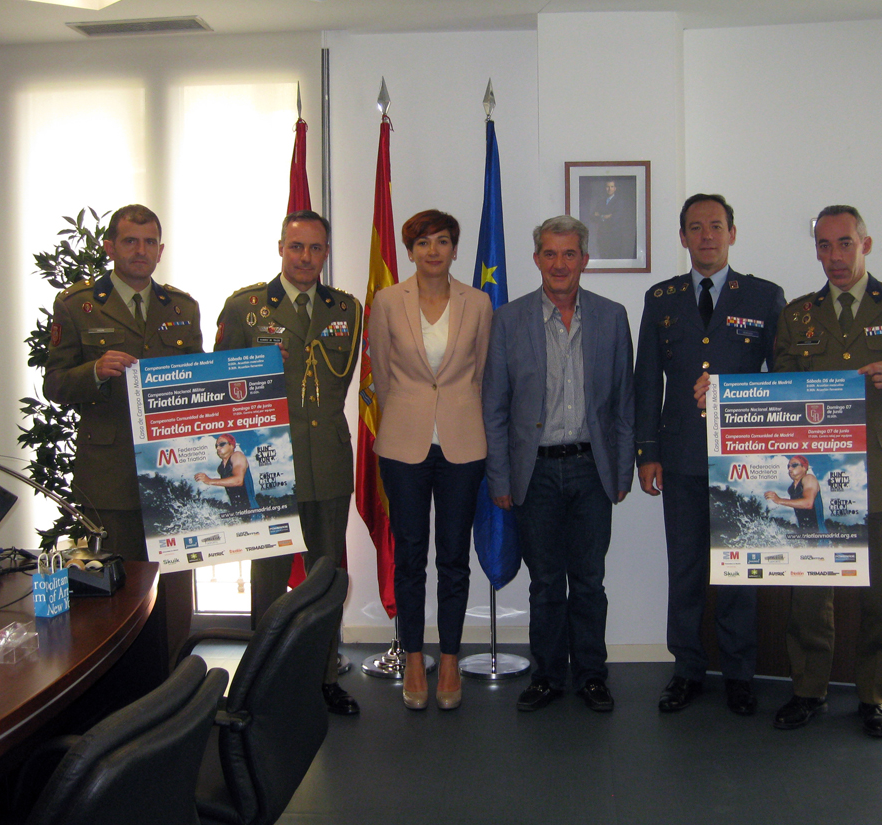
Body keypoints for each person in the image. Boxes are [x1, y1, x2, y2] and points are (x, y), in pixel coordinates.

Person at [771, 205, 882, 737]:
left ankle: (874, 695)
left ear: (865, 245)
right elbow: (782, 390)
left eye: (844, 244)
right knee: (810, 590)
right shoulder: (798, 315)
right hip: (820, 476)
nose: (834, 257)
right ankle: (808, 689)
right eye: (824, 246)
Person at [634, 193, 785, 717]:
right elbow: (645, 380)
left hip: (743, 459)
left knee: (740, 571)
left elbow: (783, 381)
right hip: (678, 458)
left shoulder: (764, 298)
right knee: (687, 567)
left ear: (732, 233)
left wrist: (735, 391)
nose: (706, 236)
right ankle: (687, 669)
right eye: (695, 228)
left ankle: (740, 673)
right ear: (682, 237)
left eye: (716, 226)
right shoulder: (662, 298)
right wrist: (646, 452)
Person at [483, 215, 634, 713]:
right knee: (546, 582)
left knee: (590, 580)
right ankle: (547, 675)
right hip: (536, 473)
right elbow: (496, 408)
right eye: (550, 253)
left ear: (584, 260)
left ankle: (592, 675)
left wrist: (622, 471)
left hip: (592, 470)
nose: (560, 263)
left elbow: (624, 405)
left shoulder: (612, 318)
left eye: (570, 254)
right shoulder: (508, 321)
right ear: (536, 259)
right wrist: (500, 477)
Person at [214, 210, 362, 716]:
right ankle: (260, 685)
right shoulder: (246, 308)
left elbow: (338, 385)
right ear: (280, 248)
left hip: (327, 461)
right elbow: (219, 386)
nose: (305, 258)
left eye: (316, 248)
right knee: (268, 581)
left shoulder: (345, 309)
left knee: (326, 578)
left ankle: (324, 677)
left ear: (325, 252)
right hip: (266, 462)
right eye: (296, 247)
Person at [43, 203, 200, 667]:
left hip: (173, 471)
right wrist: (94, 369)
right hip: (110, 473)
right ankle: (120, 697)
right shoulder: (77, 306)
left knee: (173, 590)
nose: (140, 250)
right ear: (110, 246)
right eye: (130, 241)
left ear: (161, 250)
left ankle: (172, 689)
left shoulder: (182, 308)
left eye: (150, 242)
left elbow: (199, 387)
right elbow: (54, 385)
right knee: (117, 594)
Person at [369, 209, 493, 711]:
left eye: (443, 241)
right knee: (411, 555)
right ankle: (414, 657)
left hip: (463, 442)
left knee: (454, 558)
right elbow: (380, 371)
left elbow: (481, 374)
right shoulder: (385, 301)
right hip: (404, 444)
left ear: (456, 249)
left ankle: (448, 658)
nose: (433, 251)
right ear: (410, 251)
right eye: (423, 243)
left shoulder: (479, 303)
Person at [195, 434, 257, 513]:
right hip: (237, 511)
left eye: (222, 444)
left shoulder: (237, 456)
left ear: (232, 445)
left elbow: (238, 480)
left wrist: (210, 481)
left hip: (252, 511)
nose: (218, 448)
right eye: (216, 446)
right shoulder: (221, 468)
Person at [765, 455, 826, 533]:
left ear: (804, 467)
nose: (790, 468)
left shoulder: (809, 478)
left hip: (819, 535)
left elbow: (808, 503)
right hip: (804, 534)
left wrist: (779, 500)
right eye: (788, 466)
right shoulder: (791, 489)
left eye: (794, 465)